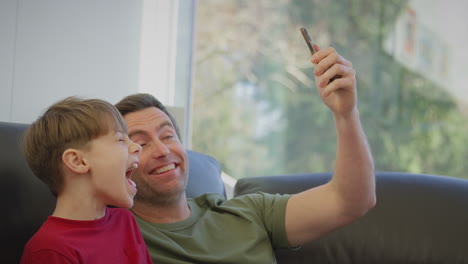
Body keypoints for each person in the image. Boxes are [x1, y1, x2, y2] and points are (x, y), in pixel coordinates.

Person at [115, 45, 376, 263]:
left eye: (168, 136)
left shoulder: (249, 212)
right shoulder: (112, 233)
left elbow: (351, 201)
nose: (162, 150)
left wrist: (346, 114)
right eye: (141, 144)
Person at [20, 97, 153, 264]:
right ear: (78, 161)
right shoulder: (50, 250)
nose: (137, 146)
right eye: (120, 139)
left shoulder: (125, 221)